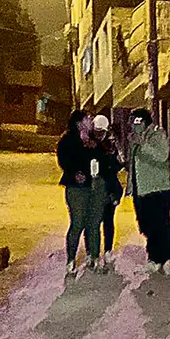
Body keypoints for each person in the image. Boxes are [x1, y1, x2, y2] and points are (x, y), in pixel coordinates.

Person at [57, 110, 107, 276]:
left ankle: (94, 256)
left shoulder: (94, 140)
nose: (90, 120)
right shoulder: (68, 140)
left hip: (95, 188)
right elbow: (63, 160)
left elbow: (103, 160)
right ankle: (71, 259)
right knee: (78, 223)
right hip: (76, 188)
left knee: (94, 223)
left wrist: (97, 147)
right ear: (79, 122)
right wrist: (74, 173)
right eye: (87, 118)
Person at [126, 108, 170, 275]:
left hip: (159, 188)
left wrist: (142, 143)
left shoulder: (157, 134)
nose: (131, 125)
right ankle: (153, 257)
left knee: (161, 224)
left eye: (134, 121)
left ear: (142, 121)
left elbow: (162, 155)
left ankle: (166, 259)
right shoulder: (134, 139)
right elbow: (133, 165)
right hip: (142, 190)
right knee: (147, 225)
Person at [84, 114, 124, 270]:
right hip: (93, 190)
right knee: (92, 222)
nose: (100, 135)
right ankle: (91, 252)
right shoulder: (88, 146)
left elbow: (117, 166)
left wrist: (113, 162)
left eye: (102, 132)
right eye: (97, 132)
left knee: (108, 220)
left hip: (109, 189)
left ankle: (107, 250)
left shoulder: (111, 146)